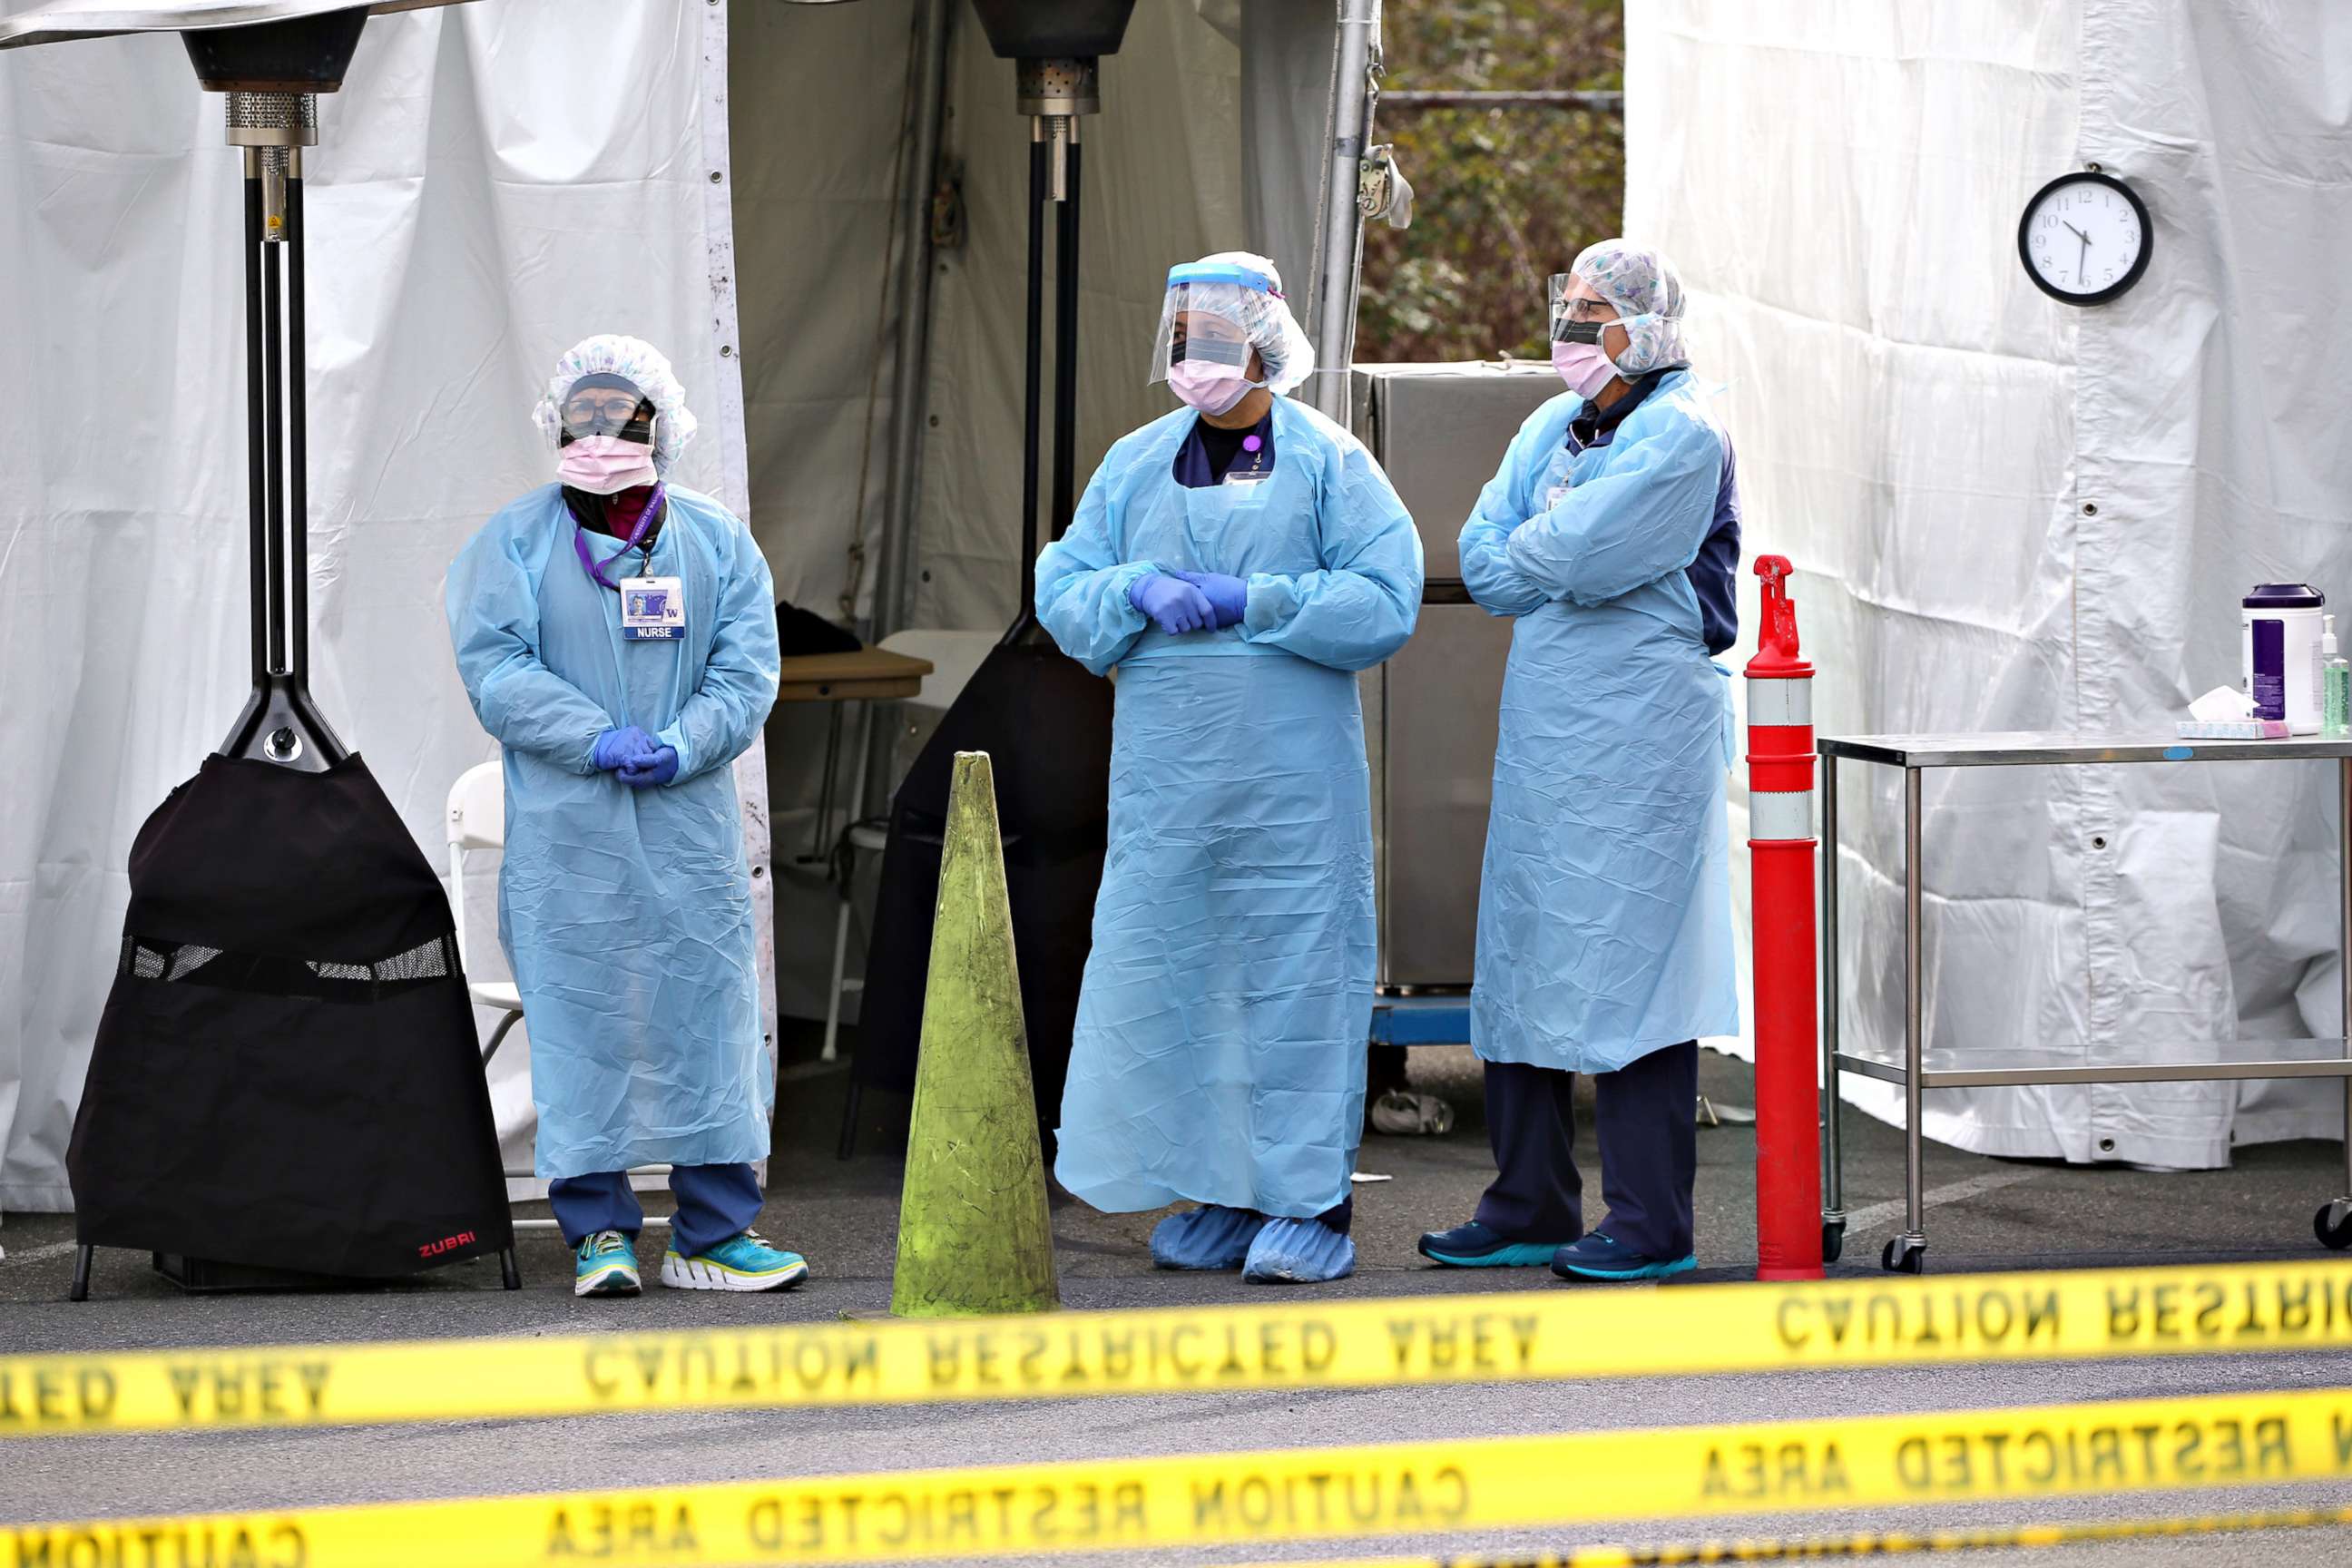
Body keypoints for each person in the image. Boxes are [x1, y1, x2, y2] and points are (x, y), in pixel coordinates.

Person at [1034, 253, 1424, 1284]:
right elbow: (1064, 585)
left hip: (1290, 786)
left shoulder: (1330, 464)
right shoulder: (1135, 463)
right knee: (1181, 974)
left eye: (1214, 338)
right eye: (1183, 339)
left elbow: (1386, 597)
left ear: (1264, 343)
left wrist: (1260, 603)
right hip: (1171, 782)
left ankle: (1310, 1204)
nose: (1195, 359)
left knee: (1294, 976)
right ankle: (1217, 1188)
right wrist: (1133, 589)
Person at [446, 334, 802, 1298]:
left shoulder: (718, 543)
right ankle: (598, 1233)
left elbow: (746, 671)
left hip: (689, 839)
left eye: (624, 416)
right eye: (585, 415)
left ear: (665, 428)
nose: (601, 434)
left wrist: (686, 742)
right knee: (580, 1021)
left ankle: (713, 1234)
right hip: (571, 840)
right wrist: (595, 737)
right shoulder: (513, 543)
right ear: (558, 424)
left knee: (709, 1019)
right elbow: (497, 670)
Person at [1418, 240, 1741, 1283]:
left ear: (1648, 327)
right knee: (1523, 949)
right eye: (1565, 305)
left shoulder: (1682, 438)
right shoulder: (1548, 425)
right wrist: (1549, 542)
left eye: (1594, 310)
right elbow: (1486, 561)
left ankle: (1651, 1222)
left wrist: (1546, 539)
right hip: (1551, 726)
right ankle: (1527, 1201)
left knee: (1635, 959)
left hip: (1644, 728)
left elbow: (1581, 555)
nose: (1571, 327)